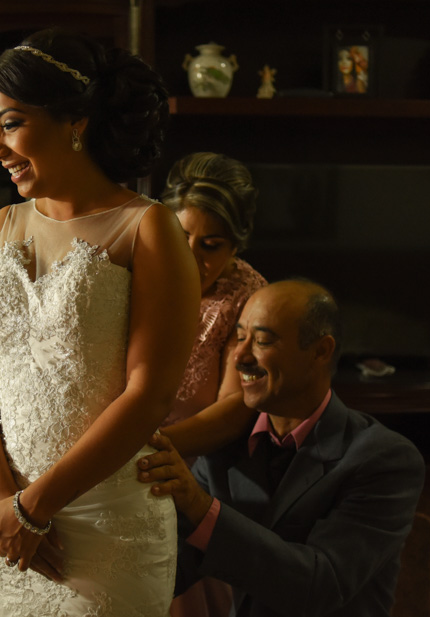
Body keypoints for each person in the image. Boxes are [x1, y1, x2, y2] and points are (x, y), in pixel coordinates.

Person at [0, 27, 200, 617]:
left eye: (10, 125)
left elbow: (149, 394)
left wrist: (37, 507)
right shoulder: (1, 227)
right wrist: (1, 502)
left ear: (75, 121)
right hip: (3, 519)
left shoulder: (148, 229)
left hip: (106, 526)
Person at [138, 279, 426, 617]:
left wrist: (202, 508)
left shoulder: (386, 459)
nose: (240, 357)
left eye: (262, 341)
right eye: (240, 337)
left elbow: (319, 585)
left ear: (321, 351)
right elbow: (167, 569)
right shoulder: (226, 448)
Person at [158, 152, 267, 617]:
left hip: (193, 473)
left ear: (236, 245)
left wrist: (145, 451)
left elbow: (234, 408)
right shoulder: (138, 270)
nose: (191, 256)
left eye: (211, 245)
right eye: (181, 237)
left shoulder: (250, 298)